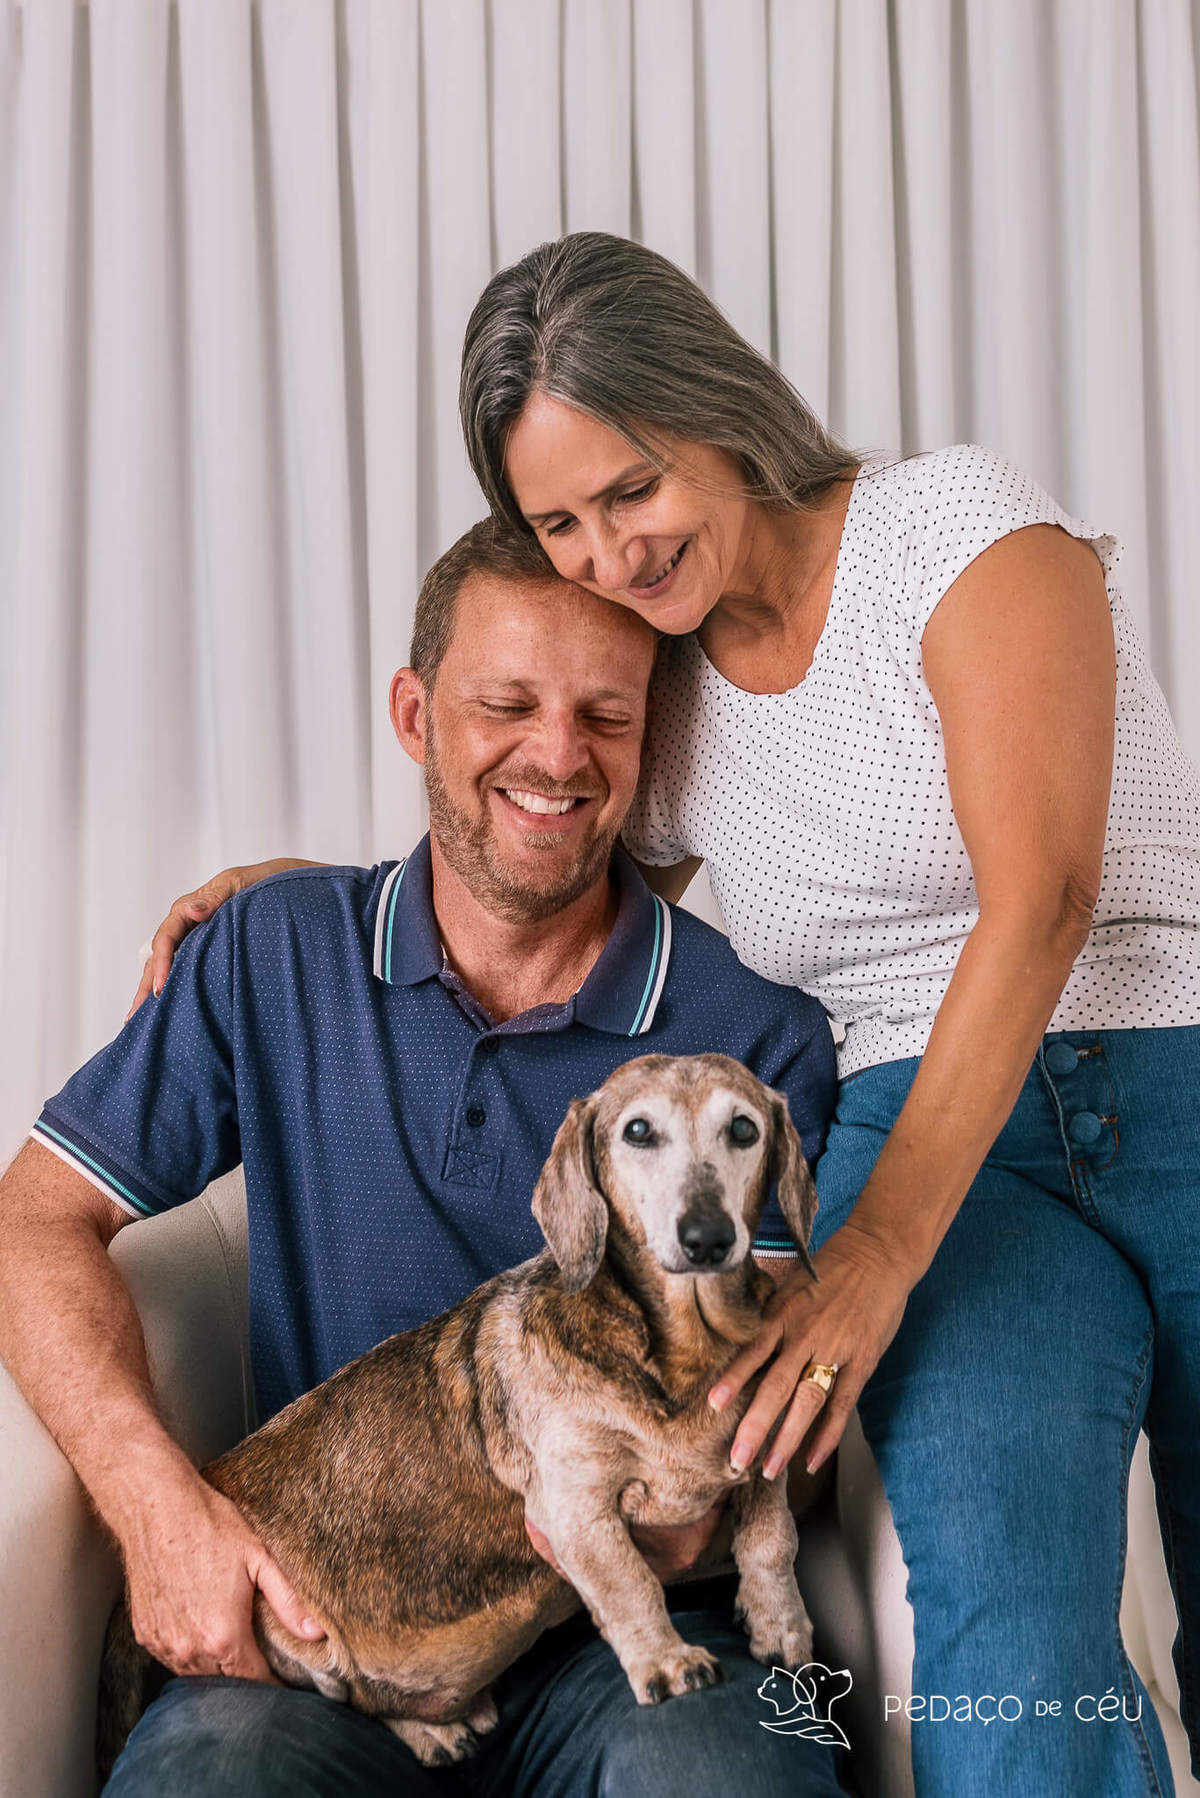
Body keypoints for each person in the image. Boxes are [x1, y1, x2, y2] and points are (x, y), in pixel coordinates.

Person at [166, 234, 1200, 1796]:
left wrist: (863, 1260)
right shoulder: (671, 687)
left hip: (1156, 1065)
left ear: (716, 408)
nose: (607, 555)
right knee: (1005, 1635)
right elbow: (537, 840)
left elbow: (1042, 898)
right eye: (561, 522)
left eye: (630, 489)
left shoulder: (960, 531)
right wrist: (312, 892)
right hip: (940, 1135)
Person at [0, 520, 849, 1798]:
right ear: (414, 713)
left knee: (730, 1780)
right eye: (506, 703)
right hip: (326, 1623)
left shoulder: (752, 1039)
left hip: (641, 1637)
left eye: (604, 717)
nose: (556, 757)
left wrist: (671, 1508)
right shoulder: (271, 951)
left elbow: (784, 1397)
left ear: (651, 743)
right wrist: (157, 1504)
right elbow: (33, 1219)